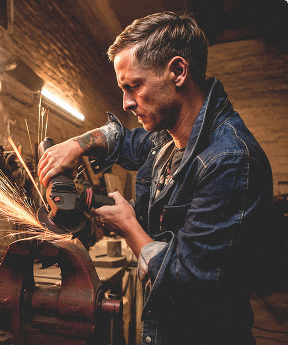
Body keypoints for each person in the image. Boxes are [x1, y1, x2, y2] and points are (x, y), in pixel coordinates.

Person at [38, 11, 274, 345]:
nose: (127, 102)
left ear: (178, 71)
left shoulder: (229, 161)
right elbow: (123, 140)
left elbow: (190, 284)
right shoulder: (167, 137)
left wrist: (129, 227)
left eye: (134, 86)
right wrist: (77, 145)